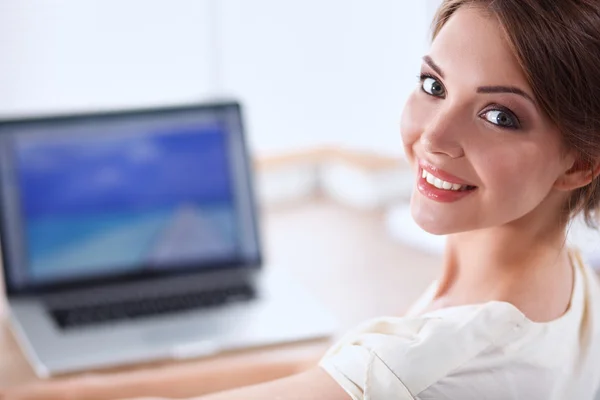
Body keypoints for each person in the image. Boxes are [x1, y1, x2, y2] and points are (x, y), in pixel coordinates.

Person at [7, 1, 600, 399]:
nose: (434, 136)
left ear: (579, 163)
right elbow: (337, 372)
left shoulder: (441, 357)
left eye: (499, 115)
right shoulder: (564, 282)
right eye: (433, 85)